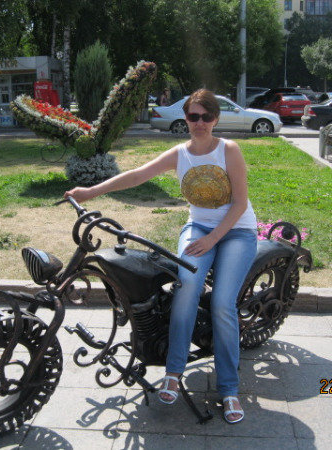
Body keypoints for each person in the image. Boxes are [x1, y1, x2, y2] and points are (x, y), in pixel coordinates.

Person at [64, 89, 257, 425]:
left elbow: (240, 203)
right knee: (186, 289)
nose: (199, 123)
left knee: (223, 303)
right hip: (199, 227)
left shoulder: (229, 150)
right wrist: (91, 192)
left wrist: (212, 239)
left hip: (237, 231)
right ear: (185, 118)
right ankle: (173, 372)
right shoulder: (181, 154)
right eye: (193, 116)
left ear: (215, 119)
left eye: (206, 117)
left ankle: (228, 389)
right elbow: (138, 175)